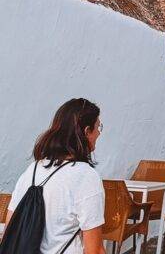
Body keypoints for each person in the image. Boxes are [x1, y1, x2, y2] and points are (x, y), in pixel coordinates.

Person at [6, 98, 105, 254]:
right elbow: (95, 250)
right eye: (98, 126)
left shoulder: (33, 169)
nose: (99, 131)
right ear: (86, 131)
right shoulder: (86, 176)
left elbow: (10, 228)